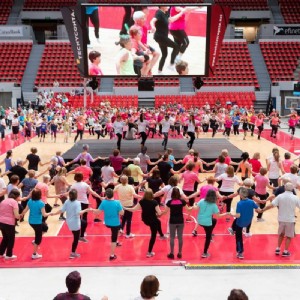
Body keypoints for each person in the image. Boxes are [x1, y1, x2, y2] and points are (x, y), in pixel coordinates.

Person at [124, 188, 166, 258]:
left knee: (158, 222)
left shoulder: (142, 201)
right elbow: (159, 214)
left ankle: (161, 235)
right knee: (153, 235)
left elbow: (133, 209)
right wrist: (164, 212)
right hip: (153, 221)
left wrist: (126, 208)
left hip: (145, 220)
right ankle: (149, 252)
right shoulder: (155, 202)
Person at [262, 183, 300, 257]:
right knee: (289, 236)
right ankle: (285, 251)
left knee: (281, 235)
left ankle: (278, 248)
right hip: (290, 219)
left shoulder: (280, 196)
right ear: (292, 189)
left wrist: (262, 210)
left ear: (285, 188)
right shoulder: (295, 198)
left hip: (281, 219)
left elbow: (271, 205)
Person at [51, 189, 90, 259]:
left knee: (84, 223)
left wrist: (54, 213)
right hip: (75, 222)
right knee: (76, 238)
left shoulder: (67, 201)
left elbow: (61, 210)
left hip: (69, 221)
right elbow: (79, 213)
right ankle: (73, 253)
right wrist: (87, 210)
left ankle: (81, 237)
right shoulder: (77, 203)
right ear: (76, 195)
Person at [189, 190, 229, 258]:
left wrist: (194, 204)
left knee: (214, 220)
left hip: (199, 221)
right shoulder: (214, 205)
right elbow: (218, 216)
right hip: (207, 223)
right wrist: (227, 213)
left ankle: (210, 233)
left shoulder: (201, 201)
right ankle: (204, 253)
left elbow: (195, 209)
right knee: (208, 237)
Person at [150, 6, 185, 74]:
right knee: (176, 46)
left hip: (162, 37)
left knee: (164, 54)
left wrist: (181, 13)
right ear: (162, 6)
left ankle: (159, 71)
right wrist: (153, 26)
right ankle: (171, 64)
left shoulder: (166, 13)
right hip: (160, 36)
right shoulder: (159, 12)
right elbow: (152, 21)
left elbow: (171, 19)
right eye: (166, 5)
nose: (168, 7)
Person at [92, 188, 124, 260]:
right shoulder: (117, 202)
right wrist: (120, 210)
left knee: (120, 227)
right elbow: (122, 213)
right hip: (115, 223)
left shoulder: (103, 202)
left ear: (106, 195)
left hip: (107, 223)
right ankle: (112, 255)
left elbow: (97, 212)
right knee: (113, 239)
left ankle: (117, 240)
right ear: (113, 194)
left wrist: (91, 210)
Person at [229, 187, 260, 259]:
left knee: (239, 238)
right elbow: (258, 209)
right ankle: (233, 229)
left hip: (240, 223)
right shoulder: (252, 202)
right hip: (248, 221)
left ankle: (240, 252)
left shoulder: (239, 203)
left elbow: (238, 215)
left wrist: (231, 214)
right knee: (237, 224)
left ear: (240, 195)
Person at [20, 188, 51, 259]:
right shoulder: (41, 203)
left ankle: (35, 241)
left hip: (31, 221)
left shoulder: (30, 201)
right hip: (37, 223)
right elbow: (44, 214)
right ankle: (34, 254)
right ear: (40, 195)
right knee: (38, 239)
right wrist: (51, 213)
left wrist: (21, 215)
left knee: (45, 227)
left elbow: (25, 210)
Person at [164, 187, 186, 259]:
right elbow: (188, 209)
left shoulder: (169, 202)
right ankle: (180, 253)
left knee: (172, 237)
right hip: (180, 221)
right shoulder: (182, 201)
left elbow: (165, 211)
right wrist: (194, 206)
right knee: (180, 237)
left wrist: (159, 214)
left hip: (172, 221)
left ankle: (172, 253)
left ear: (172, 194)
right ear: (179, 194)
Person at [0, 189, 21, 260]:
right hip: (9, 223)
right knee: (11, 239)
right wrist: (20, 216)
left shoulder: (4, 201)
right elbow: (16, 215)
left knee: (5, 238)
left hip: (1, 222)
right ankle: (9, 255)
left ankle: (1, 252)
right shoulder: (14, 202)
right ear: (16, 196)